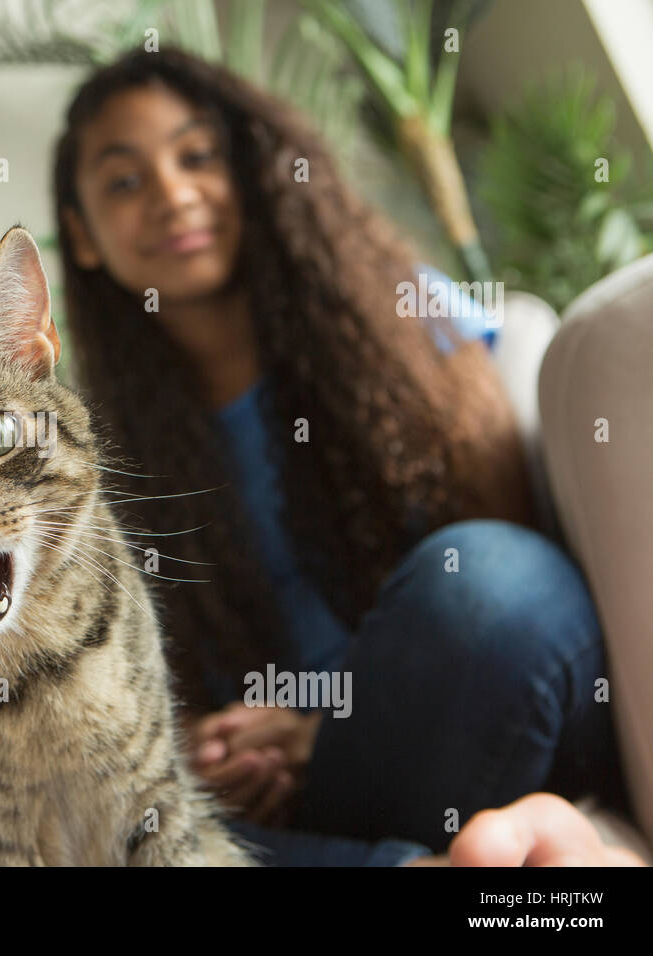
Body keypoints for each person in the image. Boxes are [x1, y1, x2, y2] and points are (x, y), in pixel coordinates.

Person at [50, 45, 640, 865]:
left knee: (491, 580)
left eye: (198, 156)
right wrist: (218, 753)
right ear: (81, 236)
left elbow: (508, 568)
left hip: (476, 712)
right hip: (310, 811)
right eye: (123, 180)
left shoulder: (399, 313)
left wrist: (327, 723)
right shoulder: (91, 456)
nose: (173, 194)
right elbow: (143, 692)